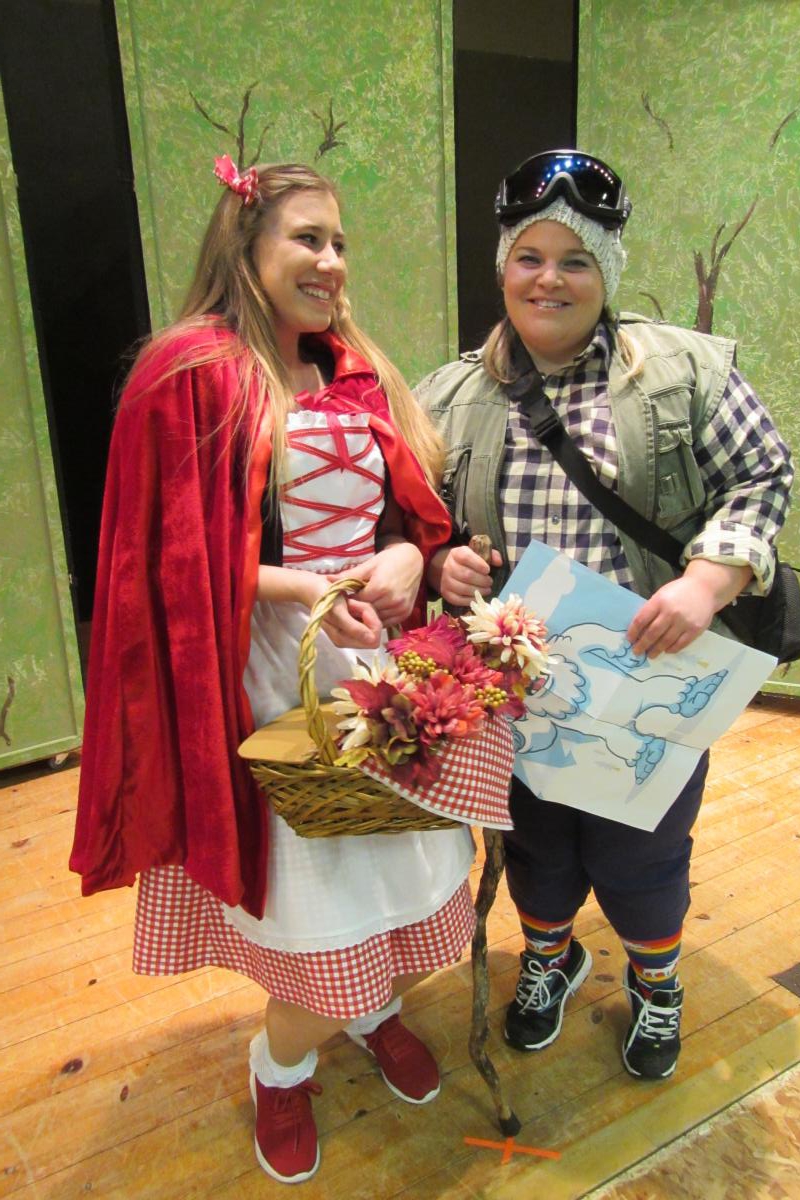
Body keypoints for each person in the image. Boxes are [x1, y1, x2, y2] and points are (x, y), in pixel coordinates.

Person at [69, 156, 477, 1184]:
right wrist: (297, 588)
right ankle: (281, 1066)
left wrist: (406, 557)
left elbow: (402, 517)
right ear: (245, 245)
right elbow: (158, 557)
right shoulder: (188, 371)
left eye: (339, 242)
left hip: (374, 663)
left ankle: (370, 1011)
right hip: (259, 670)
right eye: (307, 238)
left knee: (395, 868)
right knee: (317, 898)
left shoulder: (353, 367)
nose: (331, 261)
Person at [416, 149, 793, 1082]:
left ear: (607, 271)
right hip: (514, 692)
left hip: (648, 677)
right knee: (535, 844)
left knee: (642, 853)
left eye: (575, 260)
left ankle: (656, 982)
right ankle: (551, 959)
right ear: (503, 267)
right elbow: (415, 519)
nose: (549, 280)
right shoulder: (448, 394)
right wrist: (439, 562)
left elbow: (762, 475)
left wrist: (707, 581)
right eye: (529, 257)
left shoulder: (681, 373)